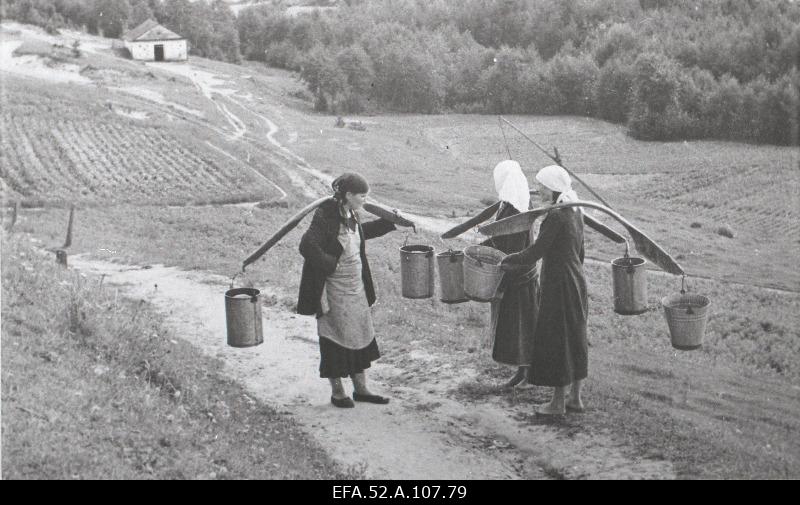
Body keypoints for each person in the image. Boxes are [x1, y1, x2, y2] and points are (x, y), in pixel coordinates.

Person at [297, 173, 400, 408]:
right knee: (334, 336)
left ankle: (361, 389)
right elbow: (307, 245)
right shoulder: (325, 215)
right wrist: (331, 264)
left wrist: (389, 222)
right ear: (348, 195)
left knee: (359, 335)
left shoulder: (350, 212)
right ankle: (338, 392)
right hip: (333, 289)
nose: (365, 200)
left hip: (356, 287)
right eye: (362, 196)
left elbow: (361, 234)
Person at [500, 165, 588, 415]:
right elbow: (581, 252)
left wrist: (509, 260)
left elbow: (537, 252)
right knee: (575, 337)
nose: (538, 191)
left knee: (557, 339)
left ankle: (557, 403)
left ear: (553, 189)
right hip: (576, 280)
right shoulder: (576, 210)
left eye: (542, 188)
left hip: (559, 284)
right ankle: (575, 398)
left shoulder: (557, 216)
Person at [484, 160, 539, 388]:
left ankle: (527, 373)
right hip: (515, 273)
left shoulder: (517, 209)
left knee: (523, 326)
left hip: (519, 276)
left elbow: (513, 248)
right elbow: (500, 239)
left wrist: (501, 278)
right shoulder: (509, 205)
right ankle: (522, 371)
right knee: (517, 326)